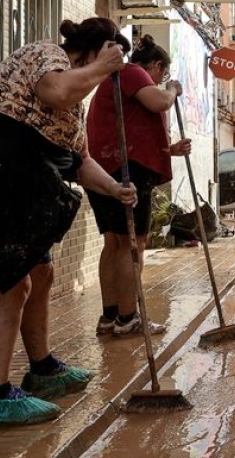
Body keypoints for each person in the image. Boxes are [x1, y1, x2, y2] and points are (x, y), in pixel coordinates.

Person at [0, 18, 136, 427]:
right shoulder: (47, 56)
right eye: (97, 64)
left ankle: (43, 369)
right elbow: (55, 89)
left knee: (42, 272)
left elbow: (80, 162)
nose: (94, 80)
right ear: (88, 53)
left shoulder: (75, 105)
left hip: (24, 183)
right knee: (11, 285)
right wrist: (102, 68)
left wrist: (115, 188)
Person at [86, 35, 191, 337]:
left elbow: (131, 134)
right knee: (133, 245)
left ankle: (110, 317)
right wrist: (171, 89)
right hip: (124, 173)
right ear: (156, 66)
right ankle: (128, 318)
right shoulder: (132, 73)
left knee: (115, 243)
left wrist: (168, 149)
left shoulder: (117, 80)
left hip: (104, 170)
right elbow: (160, 101)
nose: (159, 81)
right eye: (162, 75)